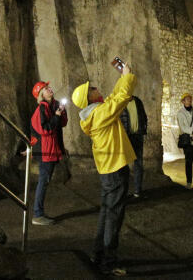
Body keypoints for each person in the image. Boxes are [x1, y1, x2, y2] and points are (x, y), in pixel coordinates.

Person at [71, 61, 137, 276]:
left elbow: (113, 98)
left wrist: (122, 78)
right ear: (90, 98)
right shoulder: (99, 114)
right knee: (113, 216)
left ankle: (98, 254)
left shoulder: (94, 113)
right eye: (93, 89)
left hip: (108, 169)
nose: (97, 89)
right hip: (115, 169)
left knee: (106, 213)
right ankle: (109, 261)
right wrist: (127, 77)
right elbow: (121, 99)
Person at [29, 80, 67, 225]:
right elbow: (45, 130)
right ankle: (37, 215)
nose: (50, 89)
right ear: (41, 94)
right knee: (43, 182)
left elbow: (62, 124)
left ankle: (39, 213)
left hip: (51, 150)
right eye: (45, 88)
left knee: (45, 181)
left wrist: (61, 113)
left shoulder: (53, 106)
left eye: (49, 87)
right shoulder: (41, 110)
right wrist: (56, 116)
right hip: (45, 152)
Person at [119, 94, 148, 198]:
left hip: (137, 136)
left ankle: (137, 191)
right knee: (123, 165)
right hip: (126, 137)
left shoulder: (137, 101)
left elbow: (143, 116)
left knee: (138, 164)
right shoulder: (120, 102)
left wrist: (144, 128)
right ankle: (123, 192)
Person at [176, 93, 193, 190]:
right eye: (187, 99)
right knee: (188, 162)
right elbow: (183, 127)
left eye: (190, 99)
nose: (189, 101)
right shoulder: (180, 113)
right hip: (188, 142)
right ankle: (189, 182)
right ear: (183, 101)